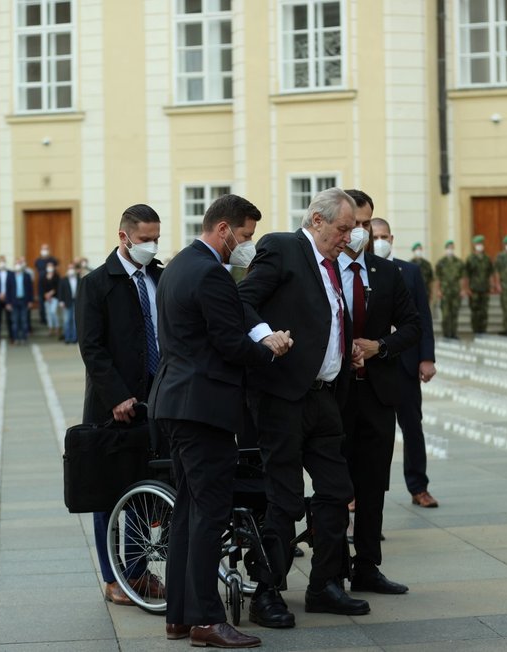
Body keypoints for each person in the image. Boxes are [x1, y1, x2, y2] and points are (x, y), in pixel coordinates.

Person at [150, 194, 290, 648]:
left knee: (190, 511)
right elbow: (230, 343)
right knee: (209, 513)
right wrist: (269, 351)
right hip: (203, 407)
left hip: (178, 403)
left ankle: (180, 616)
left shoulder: (178, 265)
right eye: (246, 235)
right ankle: (208, 620)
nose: (246, 245)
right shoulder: (210, 271)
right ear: (224, 228)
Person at [238, 187, 368, 627]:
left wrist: (344, 351)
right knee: (285, 496)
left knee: (336, 490)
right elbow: (243, 300)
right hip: (282, 397)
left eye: (351, 230)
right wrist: (265, 336)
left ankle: (325, 585)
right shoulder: (282, 247)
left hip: (324, 396)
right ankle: (266, 591)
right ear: (316, 220)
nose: (348, 238)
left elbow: (327, 318)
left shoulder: (331, 264)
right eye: (342, 229)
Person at [76, 204, 166, 606]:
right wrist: (116, 396)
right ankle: (115, 577)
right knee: (110, 493)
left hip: (156, 400)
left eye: (156, 239)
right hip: (113, 406)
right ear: (123, 237)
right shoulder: (96, 284)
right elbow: (92, 348)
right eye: (145, 239)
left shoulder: (160, 277)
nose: (151, 245)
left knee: (146, 491)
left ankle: (139, 571)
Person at [338, 191, 420, 598]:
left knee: (372, 485)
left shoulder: (386, 273)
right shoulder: (323, 268)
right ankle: (332, 566)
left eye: (367, 224)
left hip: (377, 392)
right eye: (354, 224)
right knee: (334, 483)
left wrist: (379, 347)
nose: (362, 232)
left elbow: (412, 326)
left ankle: (367, 565)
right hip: (332, 395)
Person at [371, 219, 439, 508]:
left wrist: (427, 358)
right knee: (372, 433)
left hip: (407, 363)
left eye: (385, 236)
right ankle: (362, 493)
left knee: (412, 427)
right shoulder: (359, 270)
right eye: (376, 236)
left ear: (392, 238)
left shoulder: (409, 271)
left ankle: (418, 487)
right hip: (374, 364)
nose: (381, 241)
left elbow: (422, 317)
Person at [462, 235, 492, 334]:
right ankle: (476, 330)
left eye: (481, 244)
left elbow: (490, 273)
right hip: (474, 289)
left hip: (484, 288)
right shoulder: (470, 259)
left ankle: (483, 330)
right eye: (478, 244)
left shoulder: (487, 258)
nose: (480, 246)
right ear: (474, 245)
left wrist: (491, 286)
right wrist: (466, 288)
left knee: (484, 311)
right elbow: (466, 275)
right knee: (475, 311)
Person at [434, 241, 464, 338]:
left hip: (455, 291)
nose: (450, 249)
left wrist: (462, 289)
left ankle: (454, 333)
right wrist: (438, 290)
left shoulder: (458, 262)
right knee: (446, 314)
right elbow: (437, 278)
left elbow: (462, 277)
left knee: (454, 313)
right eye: (448, 248)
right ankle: (446, 333)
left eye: (451, 248)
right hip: (445, 292)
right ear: (446, 249)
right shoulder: (441, 263)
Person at [7, 261, 34, 345]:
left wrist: (30, 301)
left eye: (19, 264)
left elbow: (30, 289)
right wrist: (8, 303)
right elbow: (8, 290)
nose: (18, 266)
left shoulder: (27, 276)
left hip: (24, 300)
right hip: (14, 301)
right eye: (16, 264)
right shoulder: (10, 276)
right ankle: (15, 338)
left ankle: (23, 338)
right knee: (15, 321)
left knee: (24, 321)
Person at [58, 264, 79, 344]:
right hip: (67, 302)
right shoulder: (64, 280)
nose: (71, 270)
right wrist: (61, 301)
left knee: (75, 321)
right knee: (67, 321)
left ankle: (75, 338)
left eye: (72, 268)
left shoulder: (79, 279)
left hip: (76, 302)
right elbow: (60, 291)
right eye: (69, 268)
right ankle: (67, 338)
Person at [39, 262, 61, 337]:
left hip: (54, 297)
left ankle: (57, 327)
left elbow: (58, 287)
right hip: (46, 298)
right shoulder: (43, 276)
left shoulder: (56, 276)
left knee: (53, 312)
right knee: (48, 314)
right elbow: (41, 287)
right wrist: (46, 295)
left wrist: (50, 294)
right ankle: (50, 328)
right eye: (48, 266)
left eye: (51, 266)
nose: (50, 267)